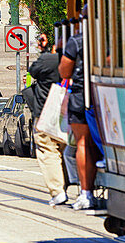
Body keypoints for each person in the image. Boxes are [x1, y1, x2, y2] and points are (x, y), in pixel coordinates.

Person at [60, 17, 99, 210]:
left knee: (83, 143)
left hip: (81, 97)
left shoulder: (77, 40)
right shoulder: (107, 39)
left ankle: (86, 193)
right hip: (103, 94)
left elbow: (65, 72)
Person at [28, 32, 68, 207]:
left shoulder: (49, 60)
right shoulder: (81, 60)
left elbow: (33, 71)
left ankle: (58, 191)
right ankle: (78, 189)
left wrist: (44, 51)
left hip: (45, 113)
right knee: (65, 151)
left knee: (48, 151)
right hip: (69, 112)